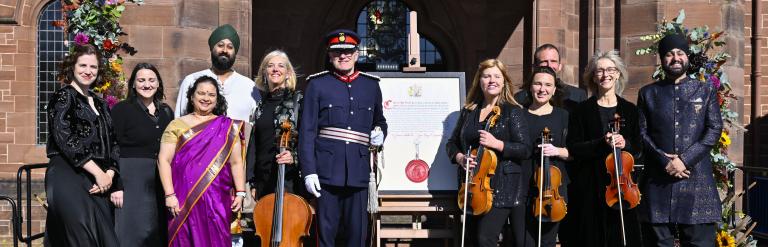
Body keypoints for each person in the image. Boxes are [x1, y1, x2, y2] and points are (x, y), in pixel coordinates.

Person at [298, 29, 387, 247]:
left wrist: (380, 133)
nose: (343, 56)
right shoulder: (317, 85)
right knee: (326, 236)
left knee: (357, 236)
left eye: (348, 51)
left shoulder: (371, 85)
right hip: (326, 173)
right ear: (330, 56)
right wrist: (309, 171)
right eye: (337, 52)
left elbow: (380, 120)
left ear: (357, 54)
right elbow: (307, 131)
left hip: (358, 172)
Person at [637, 34, 723, 247]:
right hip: (658, 182)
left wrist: (684, 160)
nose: (675, 58)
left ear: (687, 57)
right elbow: (640, 132)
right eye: (669, 54)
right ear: (662, 59)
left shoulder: (705, 90)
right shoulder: (648, 93)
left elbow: (714, 128)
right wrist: (663, 160)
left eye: (680, 53)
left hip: (696, 182)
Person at [445, 58, 532, 247]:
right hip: (472, 186)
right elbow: (451, 144)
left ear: (503, 82)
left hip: (502, 187)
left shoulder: (513, 112)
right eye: (486, 76)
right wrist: (460, 158)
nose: (491, 80)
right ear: (480, 81)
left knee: (486, 238)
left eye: (496, 76)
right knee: (471, 240)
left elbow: (525, 149)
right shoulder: (469, 112)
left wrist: (498, 144)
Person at [44, 44, 121, 246]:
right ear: (72, 66)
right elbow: (65, 138)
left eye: (93, 67)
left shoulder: (101, 103)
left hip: (100, 180)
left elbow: (113, 142)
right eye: (83, 65)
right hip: (68, 174)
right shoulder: (63, 97)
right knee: (81, 238)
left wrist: (109, 175)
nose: (88, 71)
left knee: (106, 240)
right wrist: (98, 173)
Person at [564, 50, 643, 246]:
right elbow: (573, 147)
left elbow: (640, 148)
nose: (605, 75)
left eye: (610, 70)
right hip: (589, 186)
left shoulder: (630, 110)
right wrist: (601, 143)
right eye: (599, 71)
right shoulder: (581, 111)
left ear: (618, 74)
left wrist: (627, 144)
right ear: (592, 76)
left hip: (623, 186)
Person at [159, 76, 247, 246]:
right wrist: (169, 195)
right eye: (201, 93)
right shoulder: (176, 125)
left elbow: (236, 163)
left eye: (211, 95)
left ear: (217, 99)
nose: (206, 98)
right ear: (192, 97)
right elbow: (163, 160)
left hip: (217, 200)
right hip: (183, 199)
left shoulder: (227, 127)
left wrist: (241, 192)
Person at [110, 63, 173, 246]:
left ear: (158, 84)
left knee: (156, 230)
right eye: (141, 80)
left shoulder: (167, 112)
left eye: (151, 80)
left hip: (159, 179)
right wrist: (117, 185)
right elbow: (113, 146)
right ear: (133, 84)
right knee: (132, 232)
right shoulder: (122, 110)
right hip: (131, 178)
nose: (147, 85)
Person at [520, 66, 572, 247]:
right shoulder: (519, 115)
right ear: (530, 87)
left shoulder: (563, 116)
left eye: (548, 85)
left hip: (553, 189)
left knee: (548, 242)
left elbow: (574, 152)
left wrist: (557, 151)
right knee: (524, 242)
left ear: (554, 90)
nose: (542, 89)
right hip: (523, 186)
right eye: (538, 84)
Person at [246, 50, 303, 199]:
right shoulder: (260, 105)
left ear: (288, 73)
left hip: (288, 177)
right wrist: (252, 181)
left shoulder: (298, 101)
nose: (275, 69)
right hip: (263, 180)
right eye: (270, 66)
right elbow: (255, 144)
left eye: (281, 66)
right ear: (265, 72)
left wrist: (294, 157)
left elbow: (308, 139)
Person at [174, 24, 258, 122]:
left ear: (235, 53)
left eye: (230, 47)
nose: (225, 50)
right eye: (220, 45)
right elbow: (179, 120)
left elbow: (258, 122)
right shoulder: (192, 80)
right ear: (212, 48)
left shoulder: (251, 86)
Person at [514, 44, 587, 111]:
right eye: (544, 61)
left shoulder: (577, 96)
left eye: (553, 61)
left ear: (560, 66)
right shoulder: (520, 98)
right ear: (535, 66)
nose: (549, 65)